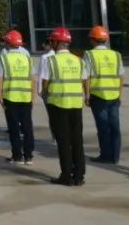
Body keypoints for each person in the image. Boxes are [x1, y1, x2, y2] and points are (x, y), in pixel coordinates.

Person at [40, 26, 87, 186]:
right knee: (77, 141)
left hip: (58, 105)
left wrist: (46, 93)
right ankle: (79, 176)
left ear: (57, 43)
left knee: (64, 142)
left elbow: (45, 84)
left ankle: (66, 175)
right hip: (76, 105)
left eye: (52, 41)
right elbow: (84, 80)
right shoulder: (79, 60)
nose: (51, 44)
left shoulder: (51, 61)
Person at [83, 25, 124, 165]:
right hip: (114, 95)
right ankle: (115, 156)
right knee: (115, 127)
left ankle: (105, 155)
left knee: (103, 127)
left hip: (98, 95)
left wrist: (87, 95)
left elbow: (86, 77)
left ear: (93, 40)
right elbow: (120, 76)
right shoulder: (116, 55)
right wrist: (119, 94)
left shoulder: (89, 55)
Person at [0, 30, 35, 165]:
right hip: (26, 96)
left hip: (10, 97)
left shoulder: (3, 58)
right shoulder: (27, 58)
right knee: (27, 127)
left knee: (14, 128)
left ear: (8, 43)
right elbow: (32, 78)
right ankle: (29, 155)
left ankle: (17, 156)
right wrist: (32, 96)